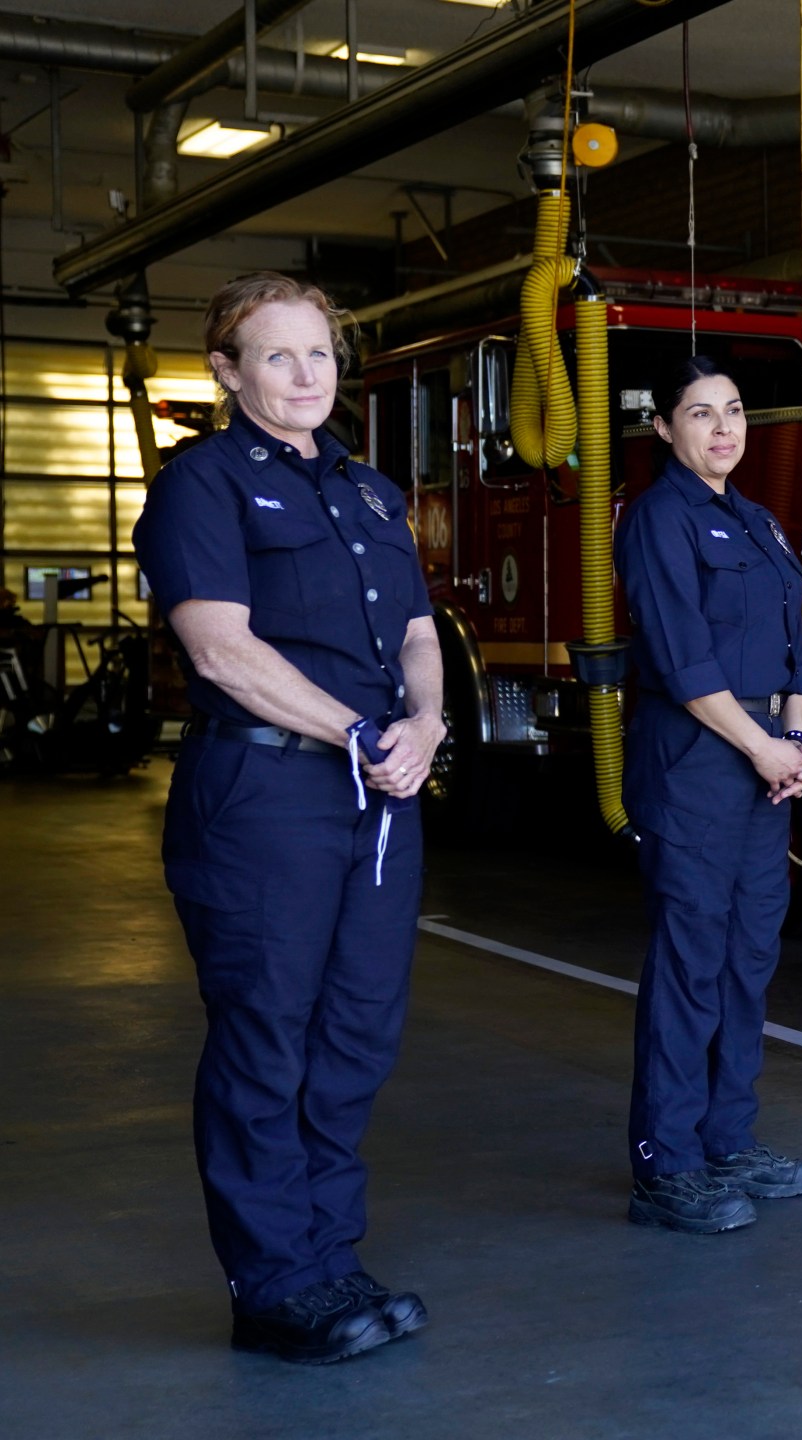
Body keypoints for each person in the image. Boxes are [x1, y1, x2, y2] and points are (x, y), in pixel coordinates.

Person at [133, 272, 440, 1363]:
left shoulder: (368, 493)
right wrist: (357, 733)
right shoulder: (201, 488)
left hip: (375, 799)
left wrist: (427, 722)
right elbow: (221, 648)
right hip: (264, 797)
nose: (306, 376)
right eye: (277, 356)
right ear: (227, 371)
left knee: (354, 1035)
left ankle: (324, 1258)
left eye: (319, 354)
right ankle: (272, 1288)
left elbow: (414, 631)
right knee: (268, 1039)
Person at [616, 355, 802, 1233]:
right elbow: (683, 662)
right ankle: (668, 1163)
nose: (722, 428)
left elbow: (792, 653)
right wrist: (763, 748)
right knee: (691, 960)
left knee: (748, 956)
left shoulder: (760, 524)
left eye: (733, 411)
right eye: (699, 414)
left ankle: (728, 1138)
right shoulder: (658, 520)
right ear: (664, 428)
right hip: (697, 759)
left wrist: (797, 742)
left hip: (761, 760)